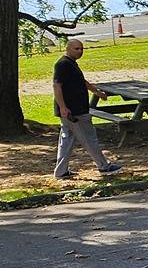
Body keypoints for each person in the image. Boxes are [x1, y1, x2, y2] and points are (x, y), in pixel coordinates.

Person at [52, 38, 123, 180]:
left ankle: (60, 172)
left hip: (73, 110)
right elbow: (56, 86)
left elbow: (82, 82)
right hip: (74, 111)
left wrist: (96, 92)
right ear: (68, 49)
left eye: (81, 49)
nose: (80, 51)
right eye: (76, 49)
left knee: (66, 140)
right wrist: (63, 107)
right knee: (89, 138)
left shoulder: (71, 64)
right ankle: (104, 166)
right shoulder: (63, 64)